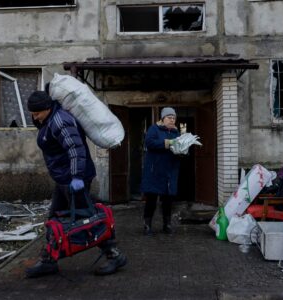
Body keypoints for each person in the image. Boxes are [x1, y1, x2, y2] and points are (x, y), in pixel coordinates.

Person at [24, 91, 127, 278]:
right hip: (64, 179)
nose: (34, 116)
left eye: (37, 113)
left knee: (90, 220)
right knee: (54, 219)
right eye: (32, 113)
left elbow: (75, 149)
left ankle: (114, 255)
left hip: (73, 180)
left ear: (47, 108)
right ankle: (49, 260)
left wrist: (77, 177)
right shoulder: (48, 119)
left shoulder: (60, 121)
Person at [140, 107, 181, 235]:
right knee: (151, 200)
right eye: (169, 117)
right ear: (163, 119)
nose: (172, 120)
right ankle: (147, 226)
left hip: (169, 171)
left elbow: (179, 145)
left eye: (174, 118)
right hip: (155, 171)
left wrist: (183, 150)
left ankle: (167, 225)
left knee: (168, 201)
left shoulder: (176, 132)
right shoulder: (154, 129)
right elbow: (149, 143)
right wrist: (167, 143)